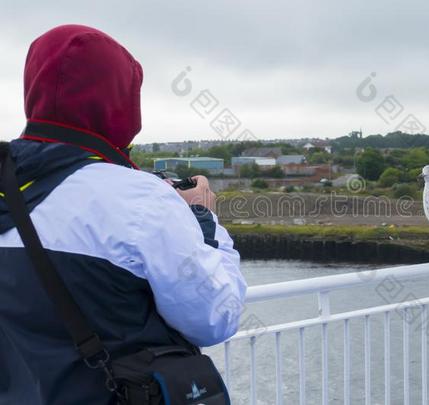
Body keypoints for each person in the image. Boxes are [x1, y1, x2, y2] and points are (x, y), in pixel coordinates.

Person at [0, 25, 246, 404]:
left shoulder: (10, 185)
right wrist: (203, 219)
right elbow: (214, 318)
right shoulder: (138, 199)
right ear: (122, 100)